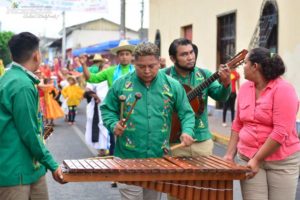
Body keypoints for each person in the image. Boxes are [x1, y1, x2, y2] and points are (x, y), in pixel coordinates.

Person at [100, 42, 195, 200]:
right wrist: (113, 124)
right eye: (141, 66)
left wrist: (187, 131)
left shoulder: (172, 85)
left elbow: (187, 113)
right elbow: (107, 109)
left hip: (158, 157)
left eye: (152, 66)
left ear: (159, 62)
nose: (146, 71)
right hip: (127, 157)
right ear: (134, 63)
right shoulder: (121, 84)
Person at [223, 47, 300, 200]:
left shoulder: (284, 90)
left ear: (255, 66)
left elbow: (280, 132)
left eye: (245, 63)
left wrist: (257, 159)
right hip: (247, 157)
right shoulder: (245, 89)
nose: (242, 67)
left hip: (281, 162)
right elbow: (238, 124)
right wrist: (229, 154)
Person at [0, 32, 65, 199]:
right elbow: (29, 133)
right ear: (36, 55)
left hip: (33, 168)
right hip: (16, 172)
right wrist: (52, 165)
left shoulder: (12, 77)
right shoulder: (21, 85)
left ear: (12, 55)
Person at [162, 38, 231, 157]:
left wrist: (226, 83)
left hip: (201, 141)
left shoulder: (205, 75)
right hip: (172, 142)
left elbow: (221, 97)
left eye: (191, 52)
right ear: (173, 58)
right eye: (184, 54)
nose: (190, 57)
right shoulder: (162, 76)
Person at [81, 40, 135, 157]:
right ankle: (114, 164)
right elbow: (92, 78)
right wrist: (84, 64)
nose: (124, 57)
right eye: (121, 54)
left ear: (131, 56)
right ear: (118, 56)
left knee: (132, 139)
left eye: (127, 54)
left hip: (133, 110)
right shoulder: (110, 71)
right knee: (113, 140)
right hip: (114, 111)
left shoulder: (137, 71)